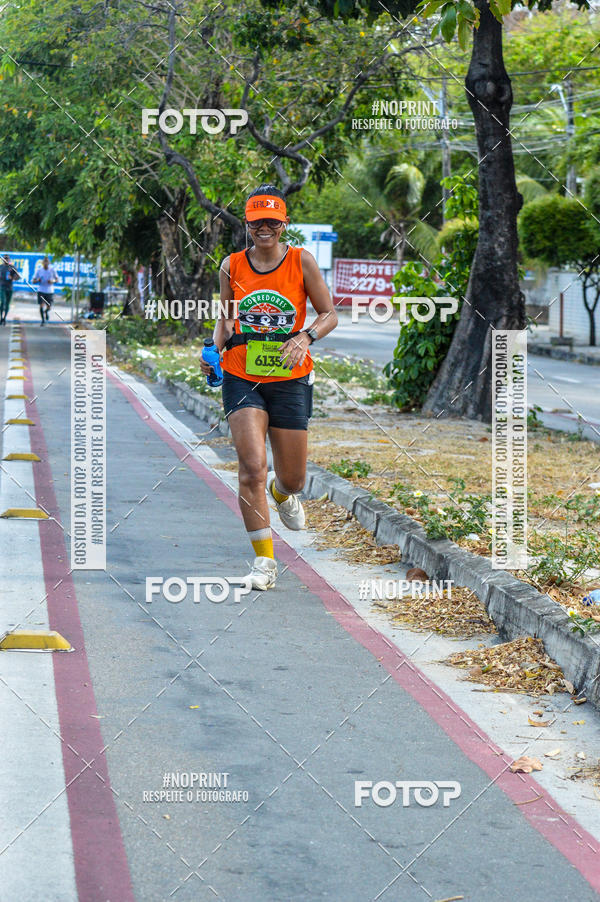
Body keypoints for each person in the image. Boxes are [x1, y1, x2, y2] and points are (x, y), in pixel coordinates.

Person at [200, 184, 338, 590]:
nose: (265, 227)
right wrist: (212, 349)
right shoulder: (231, 266)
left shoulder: (301, 261)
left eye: (272, 221)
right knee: (251, 469)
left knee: (293, 479)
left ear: (284, 224)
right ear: (247, 223)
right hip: (243, 373)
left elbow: (329, 314)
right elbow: (226, 319)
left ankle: (282, 494)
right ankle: (264, 563)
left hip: (291, 376)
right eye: (257, 220)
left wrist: (306, 336)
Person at [32, 256, 58, 325]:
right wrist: (38, 280)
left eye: (47, 262)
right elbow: (33, 281)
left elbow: (57, 279)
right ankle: (43, 320)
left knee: (49, 306)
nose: (46, 263)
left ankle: (46, 312)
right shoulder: (39, 270)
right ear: (43, 263)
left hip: (49, 291)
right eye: (44, 262)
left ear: (49, 263)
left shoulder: (52, 270)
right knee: (41, 305)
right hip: (41, 290)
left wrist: (53, 281)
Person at [0, 254, 19, 325]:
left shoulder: (12, 267)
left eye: (7, 258)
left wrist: (13, 277)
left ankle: (4, 318)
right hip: (2, 287)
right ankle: (1, 317)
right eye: (4, 258)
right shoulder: (1, 267)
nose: (6, 260)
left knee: (7, 304)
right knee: (2, 302)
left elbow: (18, 276)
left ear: (9, 259)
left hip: (9, 288)